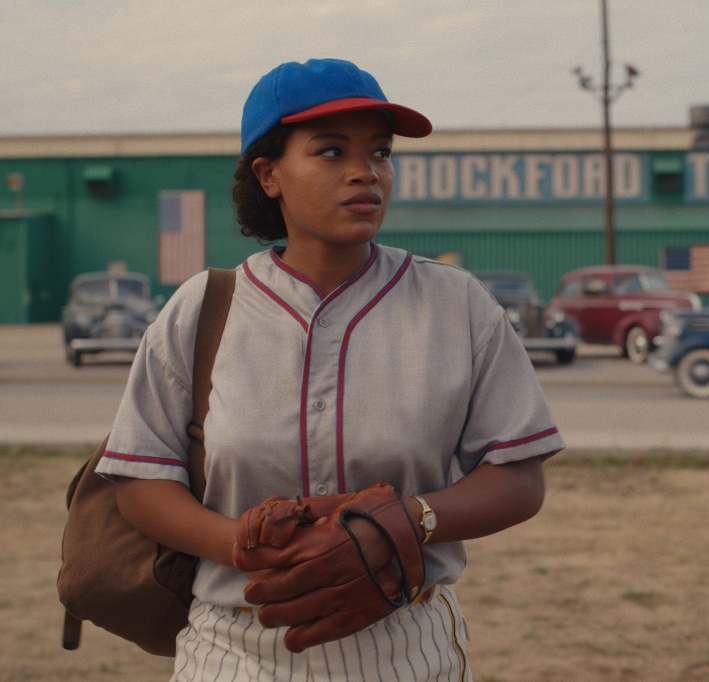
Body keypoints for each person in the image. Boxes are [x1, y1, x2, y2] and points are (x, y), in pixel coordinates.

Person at [96, 58, 564, 681]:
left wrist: (404, 520)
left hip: (404, 642)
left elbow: (519, 478)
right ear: (268, 175)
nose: (364, 172)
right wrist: (241, 543)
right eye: (330, 151)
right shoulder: (204, 309)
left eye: (380, 151)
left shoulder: (456, 304)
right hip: (236, 645)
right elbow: (141, 483)